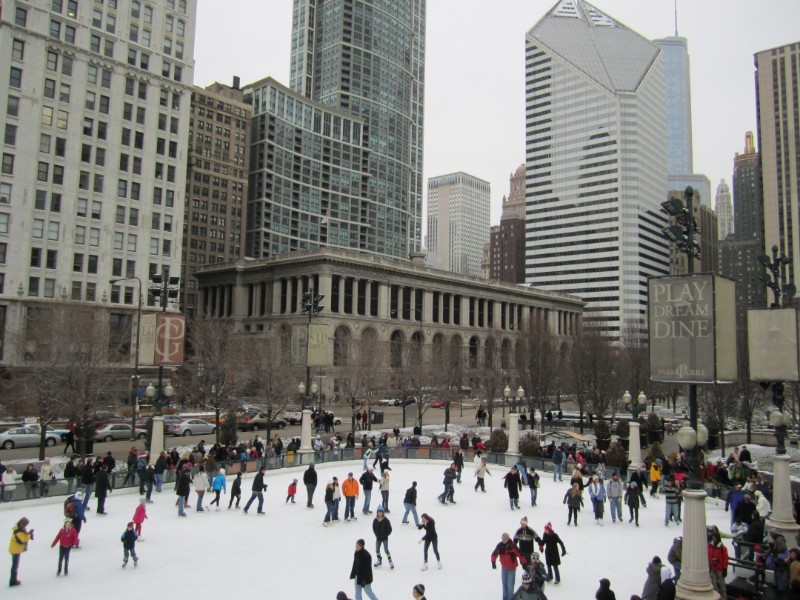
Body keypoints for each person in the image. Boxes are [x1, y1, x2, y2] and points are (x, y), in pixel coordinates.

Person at [492, 532, 528, 600]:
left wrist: (524, 563)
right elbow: (494, 553)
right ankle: (505, 598)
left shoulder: (512, 546)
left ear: (508, 538)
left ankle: (511, 598)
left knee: (510, 585)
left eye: (504, 539)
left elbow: (520, 554)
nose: (503, 540)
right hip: (504, 567)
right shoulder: (500, 545)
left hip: (512, 568)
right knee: (504, 584)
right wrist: (493, 562)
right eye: (502, 539)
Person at [8, 517, 33, 586]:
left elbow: (23, 536)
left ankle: (13, 580)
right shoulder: (18, 531)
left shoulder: (19, 529)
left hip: (15, 550)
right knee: (15, 566)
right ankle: (13, 581)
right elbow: (23, 540)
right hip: (15, 550)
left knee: (15, 566)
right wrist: (29, 534)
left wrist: (28, 533)